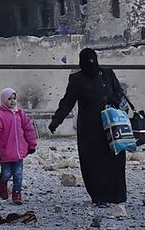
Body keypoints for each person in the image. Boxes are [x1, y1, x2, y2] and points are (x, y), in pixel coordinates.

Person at [48, 48, 127, 205]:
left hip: (111, 125)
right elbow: (68, 102)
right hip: (89, 128)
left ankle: (117, 195)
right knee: (92, 162)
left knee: (115, 159)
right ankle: (99, 196)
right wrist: (56, 121)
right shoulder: (77, 79)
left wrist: (113, 102)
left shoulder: (108, 74)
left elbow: (119, 93)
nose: (91, 64)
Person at [0, 88, 37, 205]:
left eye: (14, 98)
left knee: (18, 174)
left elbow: (29, 129)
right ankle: (2, 183)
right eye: (9, 99)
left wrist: (32, 144)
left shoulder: (20, 114)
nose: (12, 101)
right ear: (4, 100)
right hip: (5, 153)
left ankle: (17, 193)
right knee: (6, 173)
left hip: (19, 152)